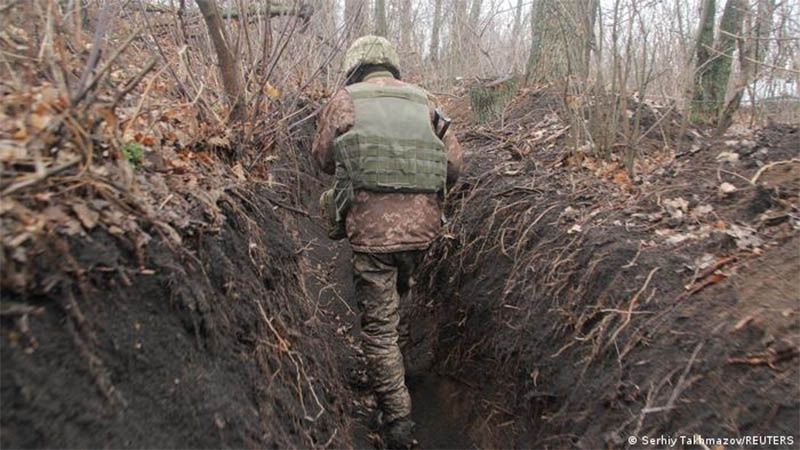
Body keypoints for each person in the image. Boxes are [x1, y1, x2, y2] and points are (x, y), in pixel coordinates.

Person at [312, 35, 463, 448]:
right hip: (423, 232)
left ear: (356, 66)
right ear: (392, 65)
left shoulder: (345, 99)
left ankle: (397, 419)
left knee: (378, 328)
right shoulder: (425, 100)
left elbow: (323, 160)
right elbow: (454, 167)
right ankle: (394, 365)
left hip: (373, 235)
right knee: (402, 294)